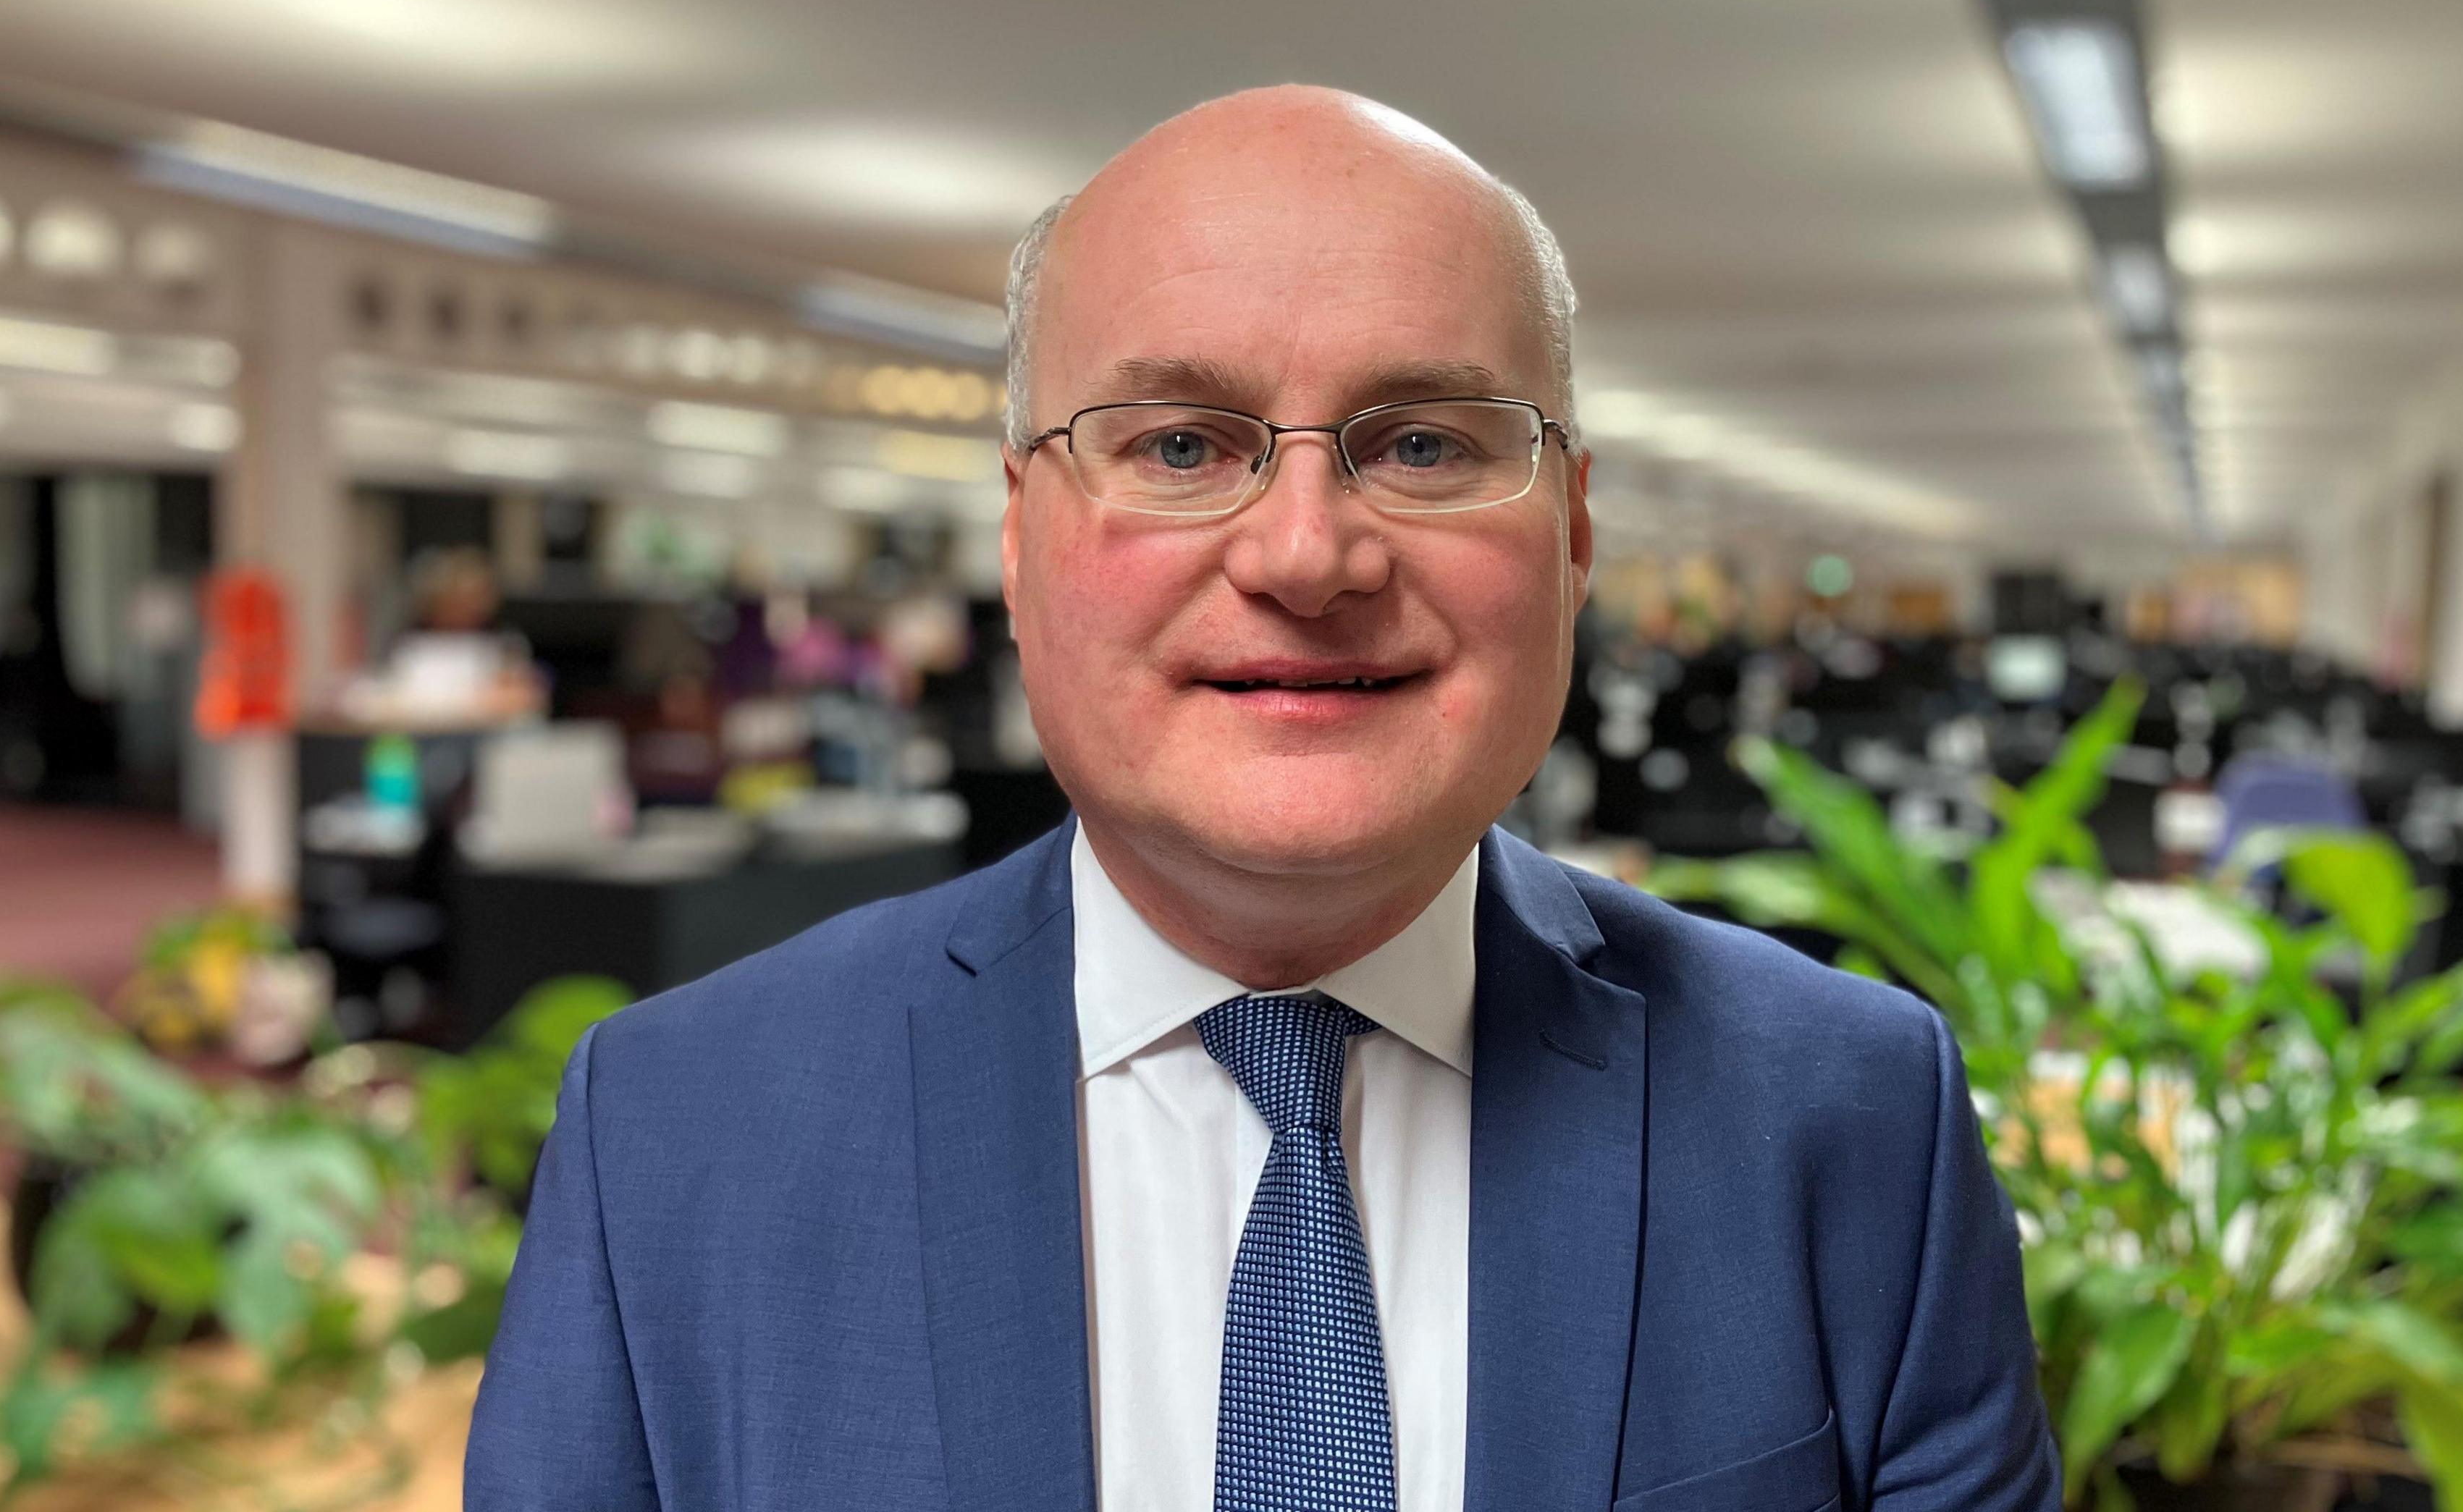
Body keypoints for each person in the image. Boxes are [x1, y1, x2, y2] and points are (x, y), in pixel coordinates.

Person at [465, 86, 2058, 1512]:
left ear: (1574, 538)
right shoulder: (678, 1138)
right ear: (1019, 543)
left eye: (1425, 443)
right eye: (1181, 444)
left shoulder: (1853, 1121)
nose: (1306, 555)